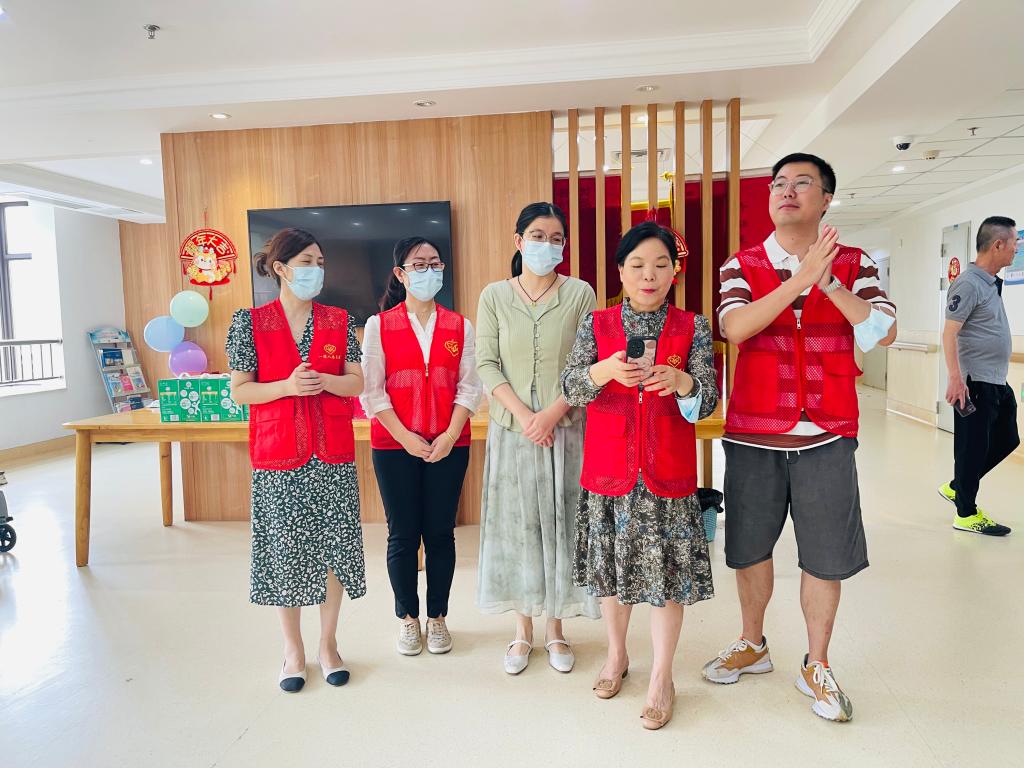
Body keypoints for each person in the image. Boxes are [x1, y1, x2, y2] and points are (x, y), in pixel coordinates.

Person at [704, 153, 897, 723]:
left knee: (826, 556)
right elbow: (735, 326)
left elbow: (882, 330)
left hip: (827, 433)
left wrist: (827, 279)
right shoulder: (741, 264)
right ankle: (753, 642)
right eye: (779, 184)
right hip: (753, 433)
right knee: (749, 548)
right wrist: (798, 280)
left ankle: (817, 663)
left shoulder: (856, 263)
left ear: (826, 199)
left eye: (802, 183)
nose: (787, 192)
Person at [562, 221, 717, 730]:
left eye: (660, 265)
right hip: (610, 473)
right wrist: (604, 371)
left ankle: (662, 677)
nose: (649, 275)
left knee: (667, 579)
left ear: (674, 273)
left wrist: (683, 380)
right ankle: (616, 655)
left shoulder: (692, 327)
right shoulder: (597, 324)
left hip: (667, 474)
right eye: (638, 265)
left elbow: (708, 402)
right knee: (611, 573)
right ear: (621, 273)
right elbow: (572, 386)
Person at [227, 227, 366, 693]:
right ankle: (293, 649)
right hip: (278, 455)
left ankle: (328, 644)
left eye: (320, 262)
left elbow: (356, 382)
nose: (316, 270)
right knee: (285, 552)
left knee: (333, 550)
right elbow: (240, 391)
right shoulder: (249, 322)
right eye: (307, 261)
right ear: (281, 268)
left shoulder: (339, 321)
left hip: (332, 454)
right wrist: (286, 387)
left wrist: (324, 381)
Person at [476, 201, 600, 675]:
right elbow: (487, 364)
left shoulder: (580, 294)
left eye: (555, 238)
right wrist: (528, 417)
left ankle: (556, 629)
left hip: (565, 429)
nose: (546, 245)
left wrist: (550, 415)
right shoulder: (494, 296)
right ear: (519, 241)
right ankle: (522, 630)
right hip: (513, 432)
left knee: (563, 523)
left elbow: (587, 363)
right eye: (537, 236)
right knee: (519, 528)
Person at [361, 236, 482, 656]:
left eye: (435, 263)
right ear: (400, 273)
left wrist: (448, 435)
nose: (429, 270)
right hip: (394, 446)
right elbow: (372, 391)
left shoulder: (460, 325)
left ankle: (438, 618)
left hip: (450, 445)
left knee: (440, 533)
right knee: (402, 534)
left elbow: (470, 386)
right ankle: (408, 619)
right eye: (419, 264)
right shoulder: (379, 325)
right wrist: (405, 437)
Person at [938, 216, 1020, 535]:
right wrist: (956, 379)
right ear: (998, 245)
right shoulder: (969, 283)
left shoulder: (989, 283)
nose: (1016, 249)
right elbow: (950, 333)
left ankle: (958, 486)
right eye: (1014, 243)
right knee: (972, 447)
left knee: (1008, 438)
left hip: (995, 379)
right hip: (974, 381)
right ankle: (966, 513)